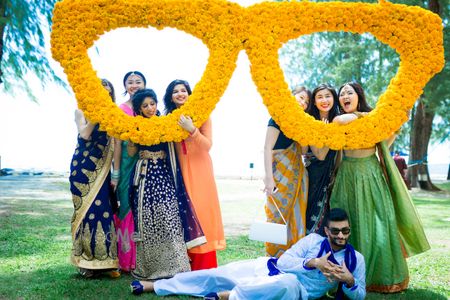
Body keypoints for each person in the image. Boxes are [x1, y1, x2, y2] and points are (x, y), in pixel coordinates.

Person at [130, 208, 366, 300]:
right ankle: (156, 285)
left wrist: (349, 281)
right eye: (335, 231)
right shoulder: (313, 241)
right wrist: (313, 262)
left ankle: (228, 297)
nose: (341, 235)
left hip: (294, 290)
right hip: (265, 268)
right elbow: (284, 260)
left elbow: (360, 295)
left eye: (345, 230)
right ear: (327, 230)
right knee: (215, 273)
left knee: (288, 283)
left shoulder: (356, 260)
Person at [331, 82, 430, 292]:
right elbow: (339, 120)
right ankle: (350, 273)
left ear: (359, 96)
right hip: (347, 174)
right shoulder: (345, 120)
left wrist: (393, 125)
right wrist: (370, 118)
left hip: (370, 173)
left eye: (350, 92)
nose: (345, 96)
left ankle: (381, 276)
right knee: (351, 221)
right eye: (342, 94)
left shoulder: (372, 118)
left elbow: (383, 142)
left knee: (378, 222)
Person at [128, 88, 206, 280]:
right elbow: (131, 153)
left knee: (169, 216)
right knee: (148, 219)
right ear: (138, 109)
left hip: (164, 175)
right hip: (145, 177)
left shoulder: (165, 124)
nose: (150, 108)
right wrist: (132, 137)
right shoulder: (135, 126)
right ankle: (150, 268)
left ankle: (176, 267)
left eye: (152, 104)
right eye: (144, 106)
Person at [163, 79, 226, 270]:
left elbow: (207, 145)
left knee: (202, 214)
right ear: (170, 97)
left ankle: (204, 265)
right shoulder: (167, 119)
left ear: (190, 94)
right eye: (175, 91)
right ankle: (183, 263)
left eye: (183, 90)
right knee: (182, 214)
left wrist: (192, 130)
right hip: (178, 173)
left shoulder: (203, 115)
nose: (180, 94)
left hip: (200, 172)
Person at [69, 78, 119, 278]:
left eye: (107, 91)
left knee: (104, 211)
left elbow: (116, 144)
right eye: (100, 90)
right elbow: (85, 135)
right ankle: (86, 263)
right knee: (85, 213)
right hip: (82, 168)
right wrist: (96, 114)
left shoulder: (114, 115)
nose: (103, 93)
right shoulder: (81, 111)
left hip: (104, 170)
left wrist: (115, 174)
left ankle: (107, 263)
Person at [262, 86, 310, 258]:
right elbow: (267, 148)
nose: (303, 103)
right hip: (278, 176)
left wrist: (303, 130)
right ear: (291, 96)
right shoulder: (277, 118)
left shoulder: (300, 124)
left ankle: (293, 257)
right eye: (301, 97)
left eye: (306, 102)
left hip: (298, 177)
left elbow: (303, 151)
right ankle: (273, 257)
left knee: (296, 217)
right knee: (275, 216)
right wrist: (268, 178)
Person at [113, 71, 146, 272]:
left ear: (145, 84)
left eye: (138, 82)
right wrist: (116, 173)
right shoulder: (121, 109)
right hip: (126, 164)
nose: (134, 85)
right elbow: (117, 143)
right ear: (125, 86)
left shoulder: (148, 107)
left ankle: (142, 259)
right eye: (130, 82)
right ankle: (125, 259)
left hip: (145, 164)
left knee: (141, 208)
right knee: (125, 206)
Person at [304, 84, 339, 234]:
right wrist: (327, 134)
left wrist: (337, 173)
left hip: (332, 174)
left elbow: (340, 152)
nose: (324, 100)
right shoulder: (309, 122)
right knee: (310, 212)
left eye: (328, 96)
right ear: (314, 101)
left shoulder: (338, 120)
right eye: (320, 97)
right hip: (314, 175)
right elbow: (320, 154)